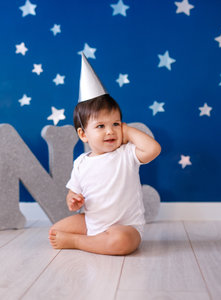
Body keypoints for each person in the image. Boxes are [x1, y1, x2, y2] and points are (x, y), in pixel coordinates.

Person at [48, 55, 161, 255]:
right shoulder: (81, 163)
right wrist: (73, 200)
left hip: (127, 227)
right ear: (83, 134)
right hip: (93, 221)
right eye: (100, 126)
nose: (110, 131)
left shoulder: (126, 154)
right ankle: (94, 239)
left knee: (121, 241)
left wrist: (127, 130)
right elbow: (73, 193)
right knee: (55, 231)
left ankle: (78, 242)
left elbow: (153, 150)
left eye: (115, 124)